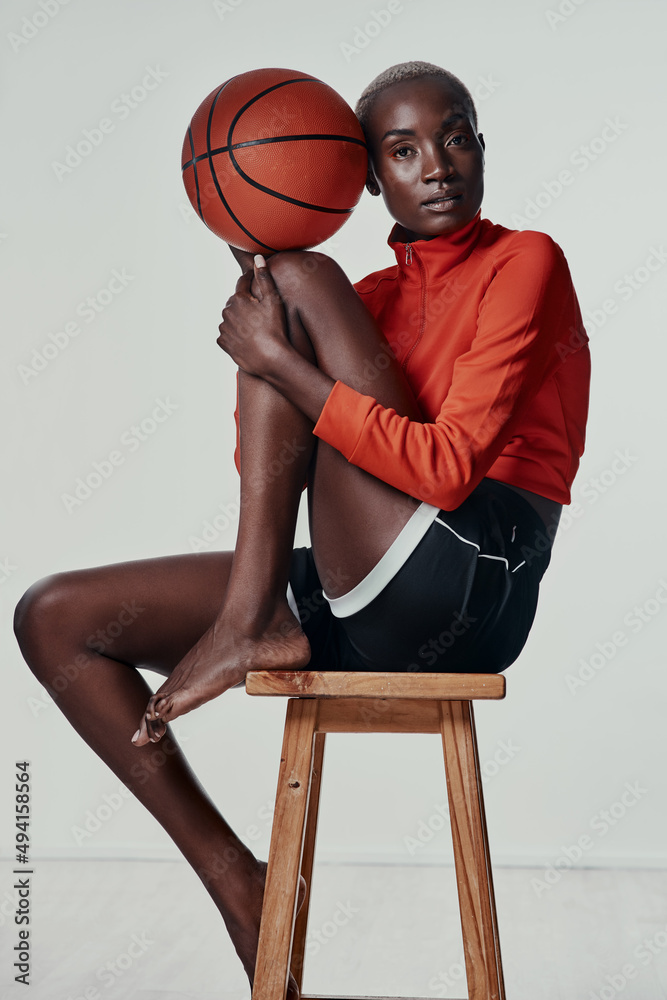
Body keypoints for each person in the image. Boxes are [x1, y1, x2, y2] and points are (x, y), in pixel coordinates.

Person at [13, 61, 590, 998]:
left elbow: (445, 471)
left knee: (292, 277)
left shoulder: (525, 259)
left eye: (455, 137)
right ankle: (240, 886)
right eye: (401, 150)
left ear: (481, 147)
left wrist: (284, 351)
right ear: (366, 179)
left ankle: (247, 625)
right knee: (54, 617)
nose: (435, 165)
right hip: (366, 577)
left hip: (476, 573)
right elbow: (265, 476)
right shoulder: (358, 298)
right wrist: (270, 345)